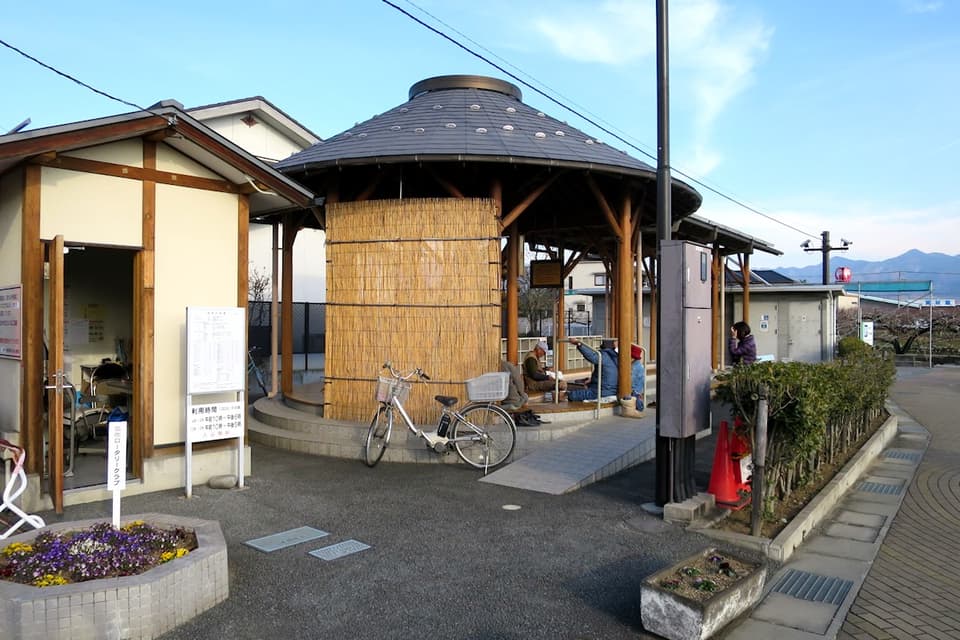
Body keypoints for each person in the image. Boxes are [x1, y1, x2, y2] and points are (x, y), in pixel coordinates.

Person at [567, 338, 618, 402]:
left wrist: (579, 344)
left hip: (601, 392)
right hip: (612, 390)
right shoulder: (616, 357)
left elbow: (591, 356)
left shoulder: (603, 355)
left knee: (572, 395)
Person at [630, 344, 645, 410]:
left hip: (634, 391)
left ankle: (638, 403)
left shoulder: (633, 367)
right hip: (639, 390)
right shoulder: (640, 365)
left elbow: (631, 382)